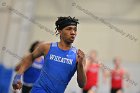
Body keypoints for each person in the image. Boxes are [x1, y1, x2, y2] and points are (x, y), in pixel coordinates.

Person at [12, 16, 87, 93]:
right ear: (60, 31)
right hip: (39, 90)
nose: (73, 32)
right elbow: (30, 57)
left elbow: (82, 84)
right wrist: (18, 76)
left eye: (75, 29)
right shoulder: (47, 47)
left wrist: (80, 65)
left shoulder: (78, 55)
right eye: (69, 29)